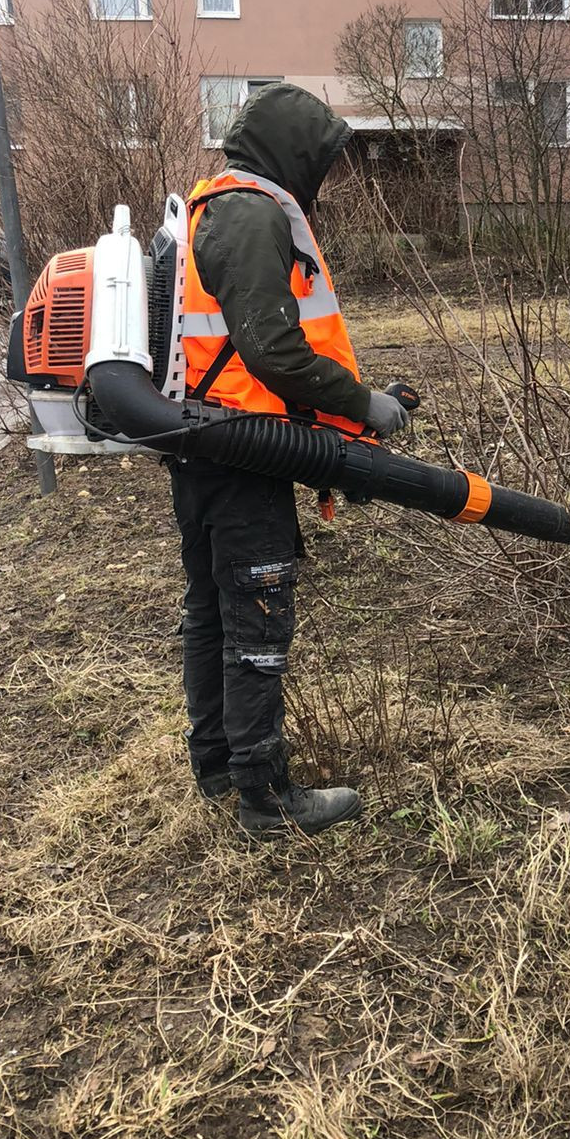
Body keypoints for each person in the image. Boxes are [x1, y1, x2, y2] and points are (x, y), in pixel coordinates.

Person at [171, 83, 413, 837]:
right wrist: (360, 405)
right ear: (293, 152)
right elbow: (273, 352)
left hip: (212, 444)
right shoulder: (250, 214)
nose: (328, 177)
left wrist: (357, 403)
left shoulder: (223, 205)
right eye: (323, 159)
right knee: (257, 614)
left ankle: (218, 764)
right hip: (242, 453)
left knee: (213, 610)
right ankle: (263, 797)